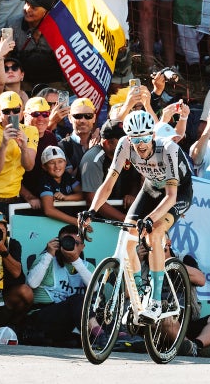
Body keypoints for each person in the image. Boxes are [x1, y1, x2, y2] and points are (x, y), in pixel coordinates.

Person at [82, 110, 187, 321]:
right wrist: (92, 210)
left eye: (145, 138)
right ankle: (140, 294)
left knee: (155, 233)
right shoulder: (124, 144)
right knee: (128, 237)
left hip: (177, 193)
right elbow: (109, 182)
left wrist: (151, 218)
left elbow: (171, 196)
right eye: (135, 139)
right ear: (129, 137)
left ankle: (156, 302)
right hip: (150, 189)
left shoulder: (168, 149)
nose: (140, 144)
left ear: (153, 135)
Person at [24, 224, 93, 346]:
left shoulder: (87, 267)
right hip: (43, 316)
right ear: (58, 242)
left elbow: (96, 289)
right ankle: (98, 335)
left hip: (69, 320)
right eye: (67, 241)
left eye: (76, 243)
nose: (72, 246)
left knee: (90, 306)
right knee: (77, 300)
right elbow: (31, 284)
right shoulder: (46, 259)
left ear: (83, 246)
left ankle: (83, 337)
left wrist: (76, 261)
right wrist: (49, 254)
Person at [0, 91, 38, 203]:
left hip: (14, 195)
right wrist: (4, 143)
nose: (11, 115)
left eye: (16, 110)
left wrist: (24, 147)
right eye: (6, 111)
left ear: (22, 112)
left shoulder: (31, 131)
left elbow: (29, 167)